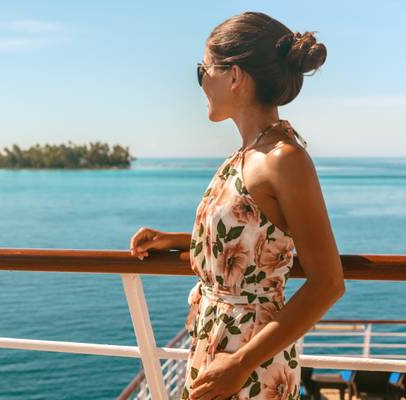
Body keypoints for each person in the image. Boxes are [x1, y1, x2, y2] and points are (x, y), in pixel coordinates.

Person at [129, 11, 345, 400]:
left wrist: (241, 364)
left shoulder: (284, 159)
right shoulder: (246, 155)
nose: (200, 83)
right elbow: (257, 241)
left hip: (251, 360)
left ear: (235, 76)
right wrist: (179, 240)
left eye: (203, 71)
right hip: (218, 347)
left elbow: (328, 283)